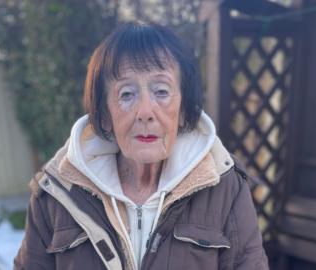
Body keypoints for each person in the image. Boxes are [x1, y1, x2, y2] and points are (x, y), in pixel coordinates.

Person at [14, 22, 268, 270]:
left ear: (182, 110)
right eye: (126, 94)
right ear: (105, 114)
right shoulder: (56, 194)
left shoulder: (226, 188)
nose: (145, 112)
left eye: (161, 91)